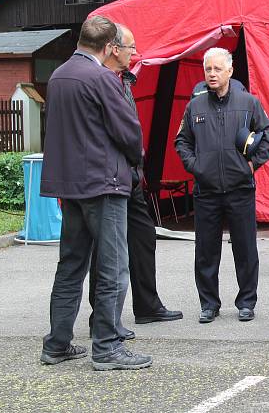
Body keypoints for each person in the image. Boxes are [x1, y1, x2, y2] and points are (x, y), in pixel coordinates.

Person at [40, 15, 152, 370]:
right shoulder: (104, 78)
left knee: (71, 265)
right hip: (104, 184)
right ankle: (106, 346)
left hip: (70, 185)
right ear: (108, 48)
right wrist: (136, 162)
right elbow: (128, 133)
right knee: (113, 267)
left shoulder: (58, 76)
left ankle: (57, 343)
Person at [88, 24, 183, 340]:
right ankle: (101, 319)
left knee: (144, 238)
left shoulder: (124, 80)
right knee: (105, 250)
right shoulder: (99, 79)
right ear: (114, 48)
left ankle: (147, 306)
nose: (134, 54)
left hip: (131, 177)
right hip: (109, 177)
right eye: (131, 48)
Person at [175, 47, 269, 324]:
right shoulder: (194, 105)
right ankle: (209, 304)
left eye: (218, 69)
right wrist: (195, 166)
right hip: (206, 191)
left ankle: (246, 302)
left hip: (240, 188)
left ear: (230, 71)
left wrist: (253, 164)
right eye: (208, 69)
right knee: (206, 251)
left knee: (245, 249)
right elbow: (181, 141)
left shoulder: (248, 102)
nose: (212, 74)